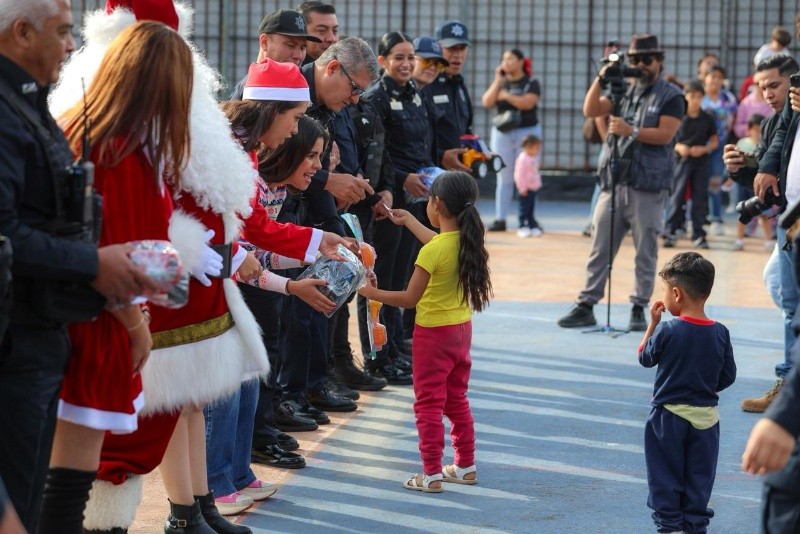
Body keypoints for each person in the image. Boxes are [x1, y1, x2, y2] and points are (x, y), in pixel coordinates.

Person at [50, 3, 353, 532]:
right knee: (107, 452)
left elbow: (223, 222)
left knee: (162, 418)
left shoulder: (149, 133)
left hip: (149, 302)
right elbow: (129, 234)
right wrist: (140, 310)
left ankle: (194, 509)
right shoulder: (119, 139)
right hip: (126, 309)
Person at [0, 1, 161, 530]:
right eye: (64, 32)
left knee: (32, 495)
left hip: (43, 331)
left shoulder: (30, 104)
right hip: (19, 331)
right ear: (22, 33)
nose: (73, 46)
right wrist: (93, 262)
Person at [35, 21, 191, 534]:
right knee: (67, 485)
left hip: (54, 314)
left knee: (41, 474)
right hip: (97, 325)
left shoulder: (74, 130)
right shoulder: (124, 153)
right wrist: (135, 325)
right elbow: (115, 257)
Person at [358, 171, 491, 493]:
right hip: (461, 331)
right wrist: (409, 222)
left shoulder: (433, 252)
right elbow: (439, 242)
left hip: (433, 335)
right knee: (456, 399)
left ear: (436, 204)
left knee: (428, 403)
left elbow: (408, 298)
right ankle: (465, 465)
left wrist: (367, 292)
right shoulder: (466, 240)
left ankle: (430, 472)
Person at [557, 34, 684, 332]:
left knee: (645, 251)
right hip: (614, 184)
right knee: (600, 246)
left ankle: (639, 306)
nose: (640, 65)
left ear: (659, 61)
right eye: (635, 59)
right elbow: (590, 109)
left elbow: (666, 135)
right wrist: (602, 76)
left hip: (647, 187)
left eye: (647, 59)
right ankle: (586, 304)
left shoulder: (672, 96)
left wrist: (632, 130)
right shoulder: (622, 90)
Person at [243, 115, 337, 472]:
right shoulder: (255, 185)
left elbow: (259, 254)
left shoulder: (280, 189)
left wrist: (319, 252)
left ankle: (261, 433)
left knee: (269, 356)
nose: (317, 166)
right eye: (311, 156)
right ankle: (254, 443)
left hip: (260, 287)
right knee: (253, 367)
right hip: (241, 293)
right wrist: (293, 285)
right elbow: (244, 262)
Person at [362, 30, 442, 385]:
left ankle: (394, 346)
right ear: (382, 61)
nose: (408, 64)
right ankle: (377, 356)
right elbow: (381, 152)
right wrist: (402, 179)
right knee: (385, 277)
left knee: (405, 274)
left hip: (416, 199)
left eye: (412, 57)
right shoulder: (376, 98)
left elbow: (421, 145)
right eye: (399, 57)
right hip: (387, 201)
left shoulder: (414, 95)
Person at [637, 252, 736, 534]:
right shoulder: (721, 332)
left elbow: (645, 357)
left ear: (677, 294)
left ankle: (670, 528)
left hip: (667, 418)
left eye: (665, 290)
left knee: (664, 477)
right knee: (699, 480)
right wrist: (702, 386)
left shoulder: (668, 330)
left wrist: (652, 324)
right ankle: (694, 527)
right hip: (707, 420)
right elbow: (728, 376)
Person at [724, 53, 799, 414]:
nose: (767, 94)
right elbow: (770, 187)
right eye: (761, 87)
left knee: (791, 304)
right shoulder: (772, 126)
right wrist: (742, 169)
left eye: (774, 85)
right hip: (790, 225)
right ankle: (788, 382)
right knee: (788, 301)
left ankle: (789, 384)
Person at [482, 48, 541, 232]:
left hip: (527, 133)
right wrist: (498, 80)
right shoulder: (501, 82)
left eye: (510, 59)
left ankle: (527, 218)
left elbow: (528, 103)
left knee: (529, 174)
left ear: (521, 61)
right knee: (504, 176)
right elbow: (487, 101)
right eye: (504, 59)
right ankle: (500, 218)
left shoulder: (531, 82)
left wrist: (507, 96)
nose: (506, 63)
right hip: (503, 133)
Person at [663, 80, 718, 249]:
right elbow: (670, 138)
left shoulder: (707, 118)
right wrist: (680, 147)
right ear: (685, 97)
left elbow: (714, 141)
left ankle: (698, 233)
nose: (695, 100)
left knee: (700, 197)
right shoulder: (679, 117)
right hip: (681, 162)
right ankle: (671, 230)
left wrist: (704, 149)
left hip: (701, 162)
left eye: (699, 97)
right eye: (692, 96)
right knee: (677, 195)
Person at [229, 7, 322, 98]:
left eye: (302, 48)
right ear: (264, 42)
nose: (299, 55)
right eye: (290, 45)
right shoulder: (248, 91)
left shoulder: (302, 87)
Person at [423, 20, 475, 173]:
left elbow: (466, 128)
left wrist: (479, 149)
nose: (458, 55)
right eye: (451, 48)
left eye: (462, 48)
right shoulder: (426, 84)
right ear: (437, 48)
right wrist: (441, 156)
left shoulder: (459, 85)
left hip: (458, 172)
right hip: (430, 172)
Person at [701, 65, 738, 236]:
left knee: (715, 181)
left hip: (720, 146)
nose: (715, 80)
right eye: (712, 76)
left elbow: (733, 121)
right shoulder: (699, 97)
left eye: (719, 77)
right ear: (705, 78)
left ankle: (716, 218)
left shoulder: (728, 98)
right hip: (699, 145)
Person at [733, 114, 774, 251]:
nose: (758, 133)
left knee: (764, 212)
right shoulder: (742, 143)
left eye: (761, 130)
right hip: (745, 184)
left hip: (761, 185)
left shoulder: (768, 144)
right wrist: (729, 179)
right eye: (755, 129)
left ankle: (768, 240)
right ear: (749, 129)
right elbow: (735, 164)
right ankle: (739, 238)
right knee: (744, 211)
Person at [514, 134, 543, 238]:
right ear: (528, 147)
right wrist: (522, 188)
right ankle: (522, 226)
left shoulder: (533, 158)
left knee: (531, 208)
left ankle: (532, 225)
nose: (538, 150)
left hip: (533, 188)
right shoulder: (522, 159)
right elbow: (519, 175)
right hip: (525, 189)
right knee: (524, 208)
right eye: (537, 148)